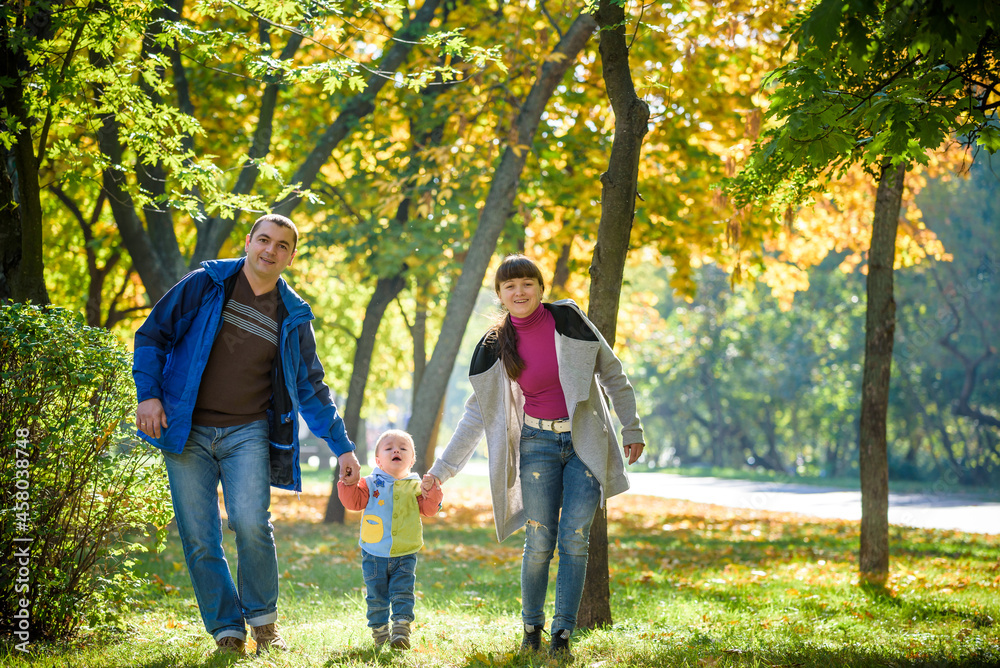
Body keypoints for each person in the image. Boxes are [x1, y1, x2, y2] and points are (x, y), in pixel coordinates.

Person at [132, 214, 361, 656]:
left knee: (252, 524)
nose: (270, 250)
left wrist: (342, 446)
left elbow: (312, 386)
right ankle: (227, 630)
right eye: (264, 240)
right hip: (186, 430)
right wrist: (150, 395)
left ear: (291, 257)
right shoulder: (207, 284)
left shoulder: (293, 315)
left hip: (248, 433)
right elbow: (152, 335)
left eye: (281, 245)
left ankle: (263, 623)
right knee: (200, 536)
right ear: (249, 242)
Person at [421, 254, 644, 658]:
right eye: (510, 286)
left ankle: (562, 636)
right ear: (501, 295)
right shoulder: (494, 345)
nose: (520, 291)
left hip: (584, 444)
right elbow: (477, 413)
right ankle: (531, 629)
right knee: (540, 540)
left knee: (575, 539)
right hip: (536, 445)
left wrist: (632, 428)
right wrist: (441, 470)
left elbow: (613, 373)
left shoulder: (569, 320)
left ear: (541, 288)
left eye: (527, 283)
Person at [338, 430, 443, 650]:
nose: (396, 450)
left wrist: (432, 493)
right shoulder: (369, 483)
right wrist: (348, 485)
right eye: (389, 448)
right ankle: (379, 632)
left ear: (412, 460)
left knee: (403, 591)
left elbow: (429, 510)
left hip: (405, 552)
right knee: (376, 596)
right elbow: (354, 503)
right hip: (374, 552)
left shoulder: (417, 486)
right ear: (378, 460)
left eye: (403, 448)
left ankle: (401, 629)